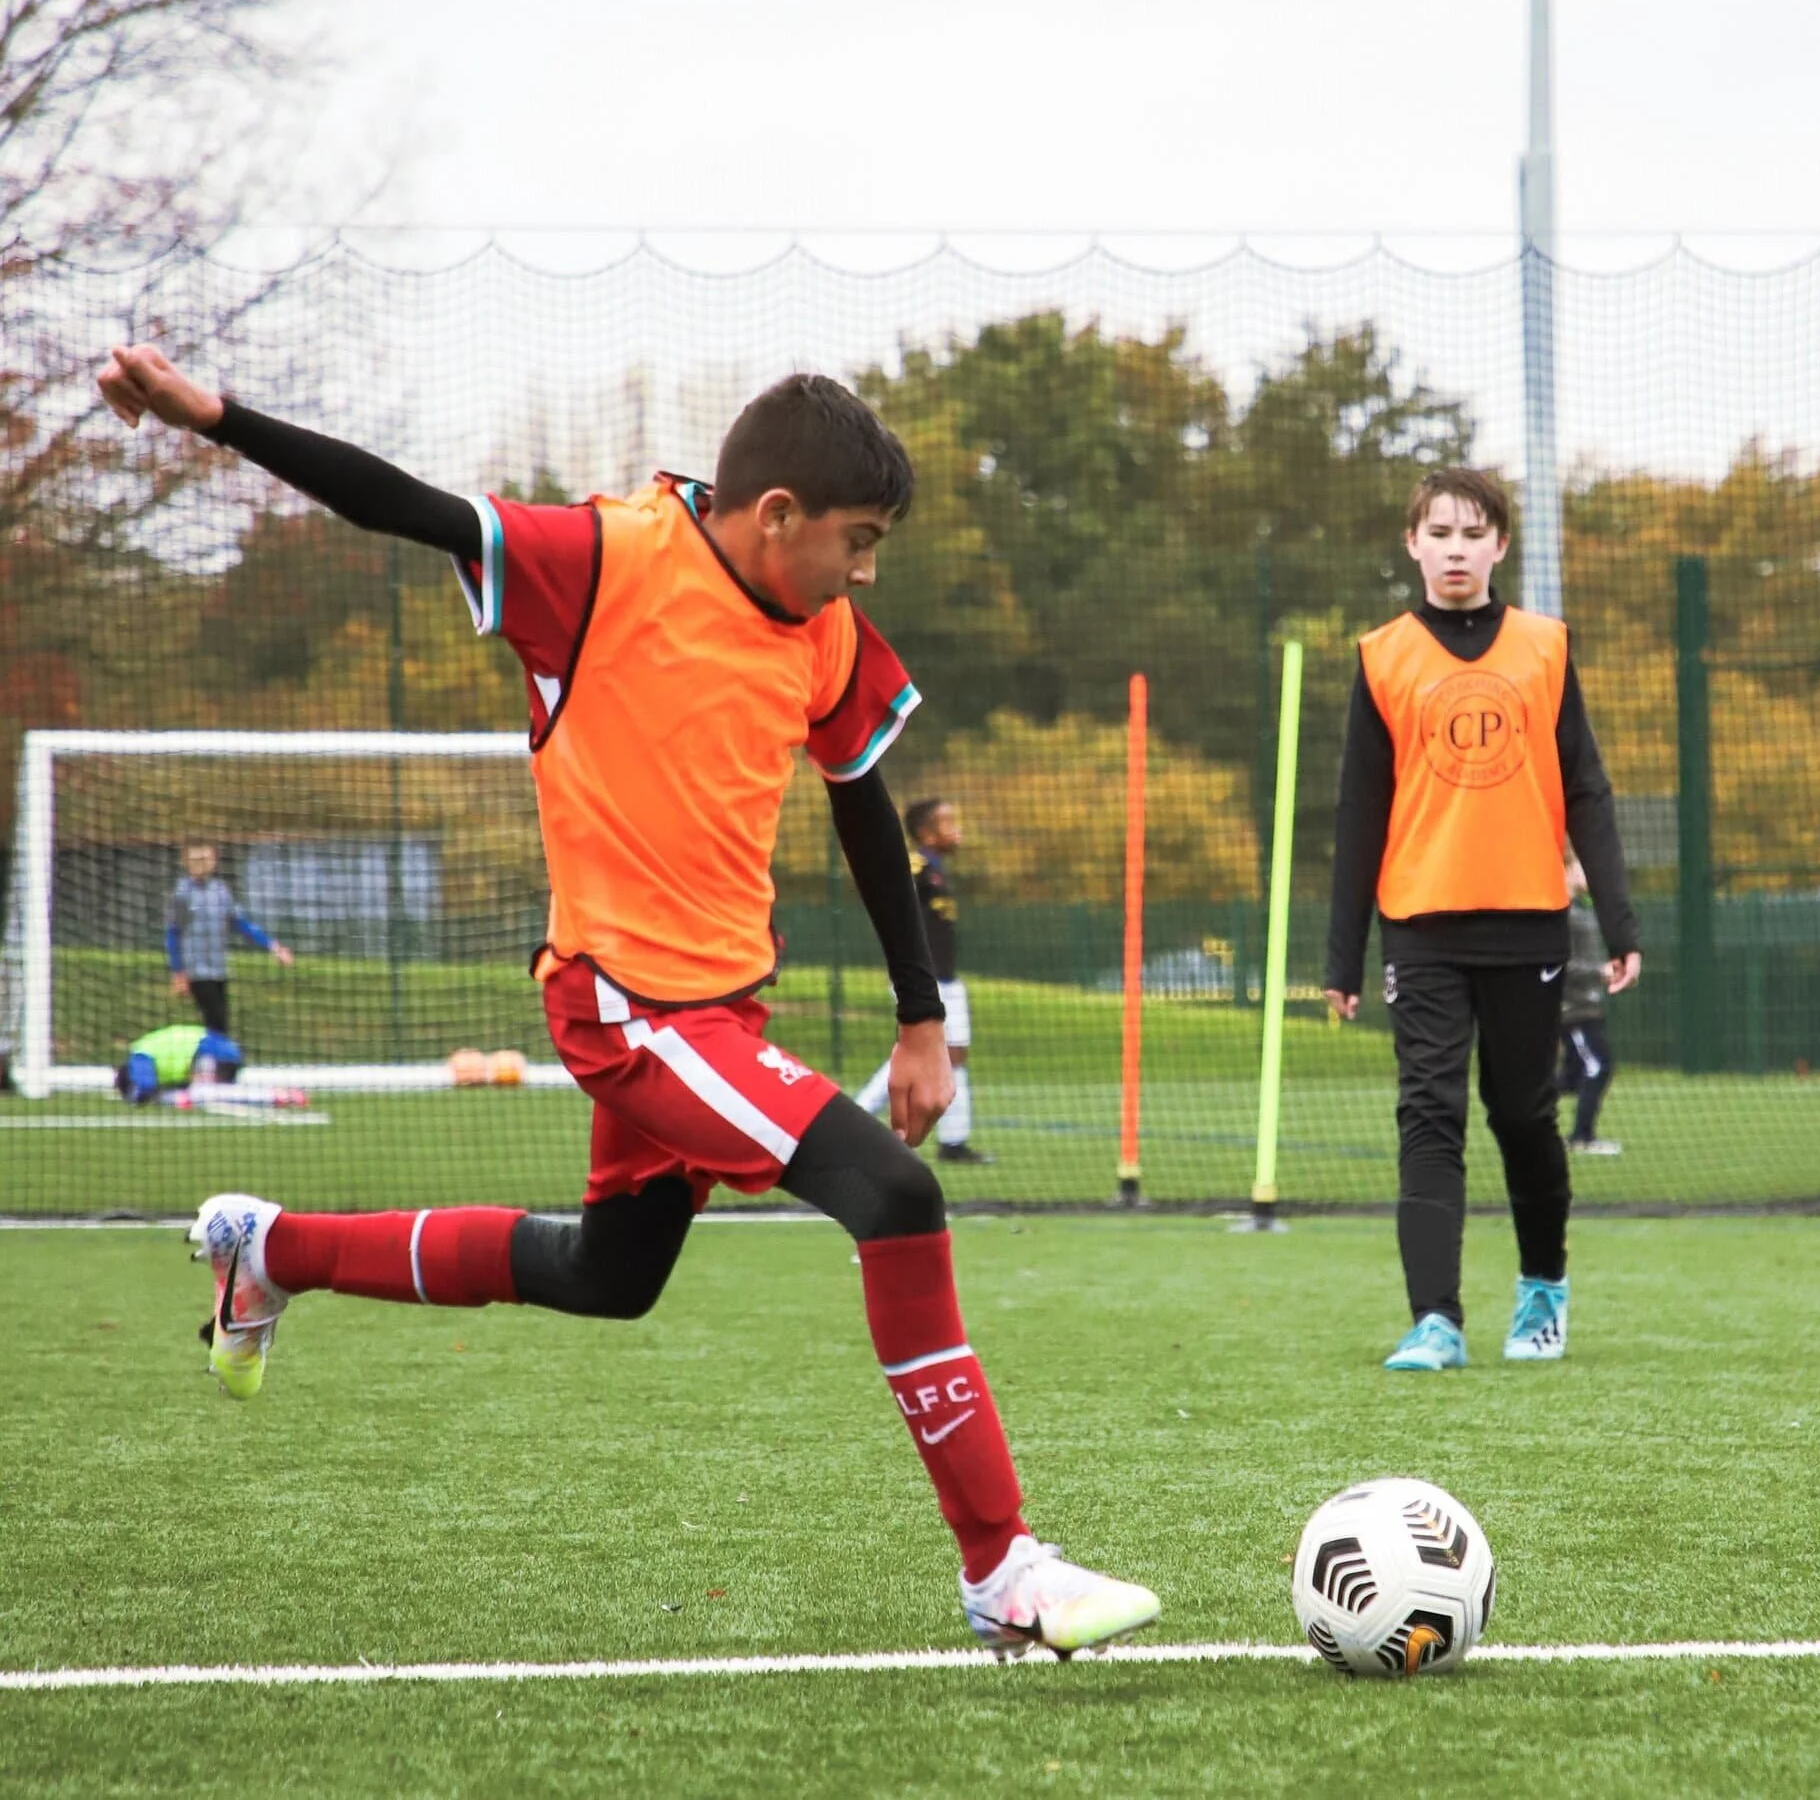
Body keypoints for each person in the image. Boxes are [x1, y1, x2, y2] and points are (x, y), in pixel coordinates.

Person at [97, 345, 1159, 1660]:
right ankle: (1005, 1569)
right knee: (897, 1193)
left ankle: (272, 1249)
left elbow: (862, 793)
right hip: (629, 1004)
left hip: (719, 1013)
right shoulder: (600, 560)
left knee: (614, 1274)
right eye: (860, 540)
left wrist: (920, 1012)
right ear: (778, 516)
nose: (865, 571)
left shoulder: (818, 621)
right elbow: (405, 503)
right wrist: (218, 419)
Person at [1324, 467, 1641, 1372]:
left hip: (1529, 922)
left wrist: (1621, 923)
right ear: (1412, 543)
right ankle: (1436, 1320)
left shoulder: (1544, 646)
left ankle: (1543, 1291)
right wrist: (1342, 955)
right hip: (1420, 924)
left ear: (1501, 545)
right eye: (1440, 532)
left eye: (1474, 533)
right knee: (1428, 1113)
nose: (1457, 548)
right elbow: (1360, 812)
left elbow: (1586, 785)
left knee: (1524, 1116)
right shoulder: (1383, 655)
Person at [853, 797, 988, 1164]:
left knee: (952, 1054)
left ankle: (954, 1142)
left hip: (945, 978)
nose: (956, 828)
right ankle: (857, 1116)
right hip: (925, 980)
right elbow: (890, 892)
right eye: (947, 822)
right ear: (926, 832)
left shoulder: (938, 870)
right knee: (932, 1051)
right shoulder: (918, 867)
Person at [166, 840, 294, 1038]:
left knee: (218, 1023)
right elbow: (174, 933)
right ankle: (215, 1064)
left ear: (214, 860)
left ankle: (213, 1063)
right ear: (186, 862)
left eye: (206, 858)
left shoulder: (220, 890)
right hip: (196, 971)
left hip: (218, 970)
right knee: (216, 1022)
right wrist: (178, 972)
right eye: (196, 859)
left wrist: (273, 946)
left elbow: (241, 923)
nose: (201, 863)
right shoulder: (183, 893)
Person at [1556, 850, 1619, 1156]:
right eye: (1582, 865)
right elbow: (1560, 964)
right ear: (1566, 870)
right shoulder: (1561, 914)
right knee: (1597, 1067)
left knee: (1571, 1077)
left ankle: (1520, 1105)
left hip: (1588, 1006)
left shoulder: (1582, 909)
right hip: (1572, 1010)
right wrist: (1599, 971)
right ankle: (1581, 1138)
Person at [112, 1023, 244, 1103]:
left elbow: (146, 1086)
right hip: (225, 1051)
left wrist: (137, 1099)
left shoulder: (139, 1056)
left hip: (213, 1054)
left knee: (201, 1095)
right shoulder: (143, 1046)